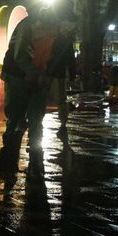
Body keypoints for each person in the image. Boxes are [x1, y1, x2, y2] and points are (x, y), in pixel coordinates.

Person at [0, 7, 58, 176]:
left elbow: (51, 58)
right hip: (17, 79)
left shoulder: (54, 33)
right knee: (15, 119)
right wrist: (33, 75)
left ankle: (36, 161)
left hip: (37, 81)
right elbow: (20, 55)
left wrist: (45, 77)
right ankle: (10, 158)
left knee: (36, 121)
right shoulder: (27, 27)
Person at [45, 8, 77, 143]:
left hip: (47, 73)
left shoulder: (47, 38)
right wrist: (72, 77)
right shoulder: (64, 41)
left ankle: (37, 127)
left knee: (42, 99)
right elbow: (71, 60)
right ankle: (63, 126)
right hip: (58, 74)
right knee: (61, 101)